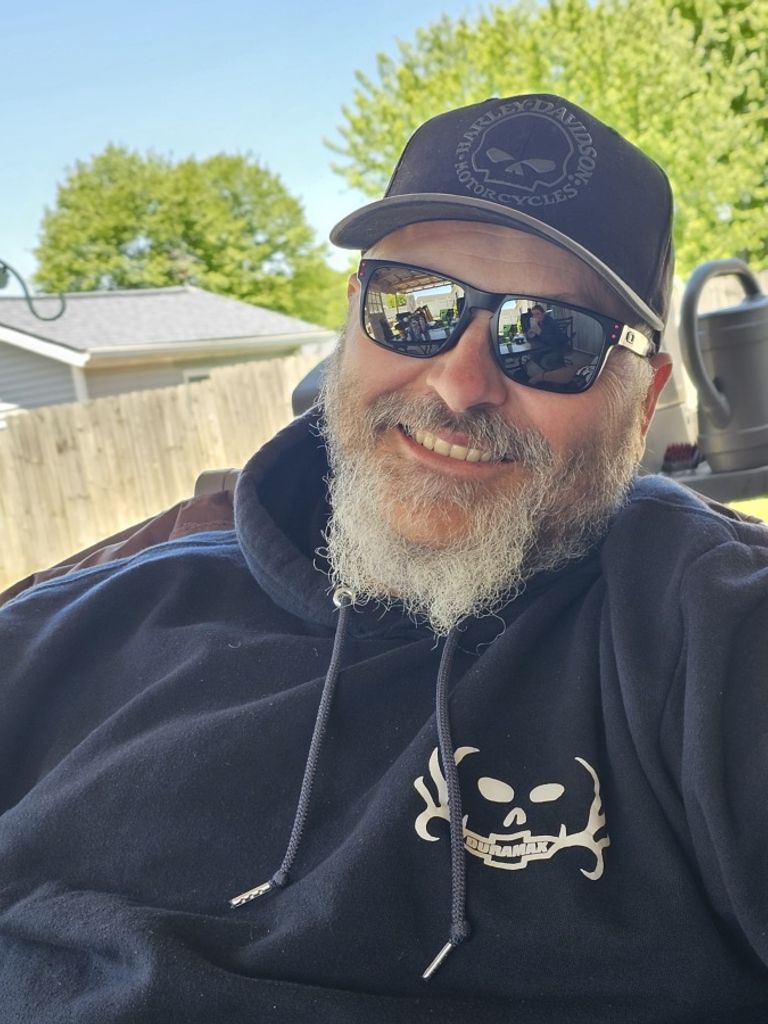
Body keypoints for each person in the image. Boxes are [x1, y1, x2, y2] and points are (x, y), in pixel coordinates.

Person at [1, 92, 767, 1023]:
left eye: (549, 336)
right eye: (415, 305)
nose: (460, 383)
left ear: (643, 402)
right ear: (352, 320)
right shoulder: (69, 634)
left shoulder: (706, 631)